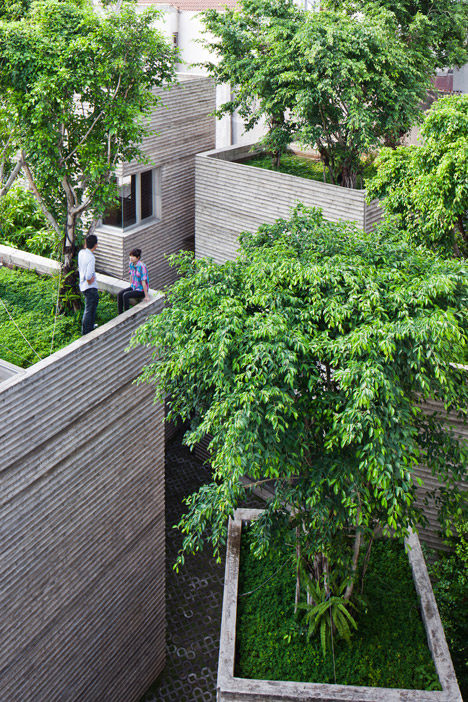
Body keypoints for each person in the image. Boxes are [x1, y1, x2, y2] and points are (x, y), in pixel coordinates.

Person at [117, 248, 151, 314]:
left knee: (125, 295)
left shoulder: (142, 266)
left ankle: (126, 314)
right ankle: (120, 314)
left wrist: (146, 296)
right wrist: (130, 285)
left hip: (141, 290)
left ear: (138, 258)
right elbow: (131, 275)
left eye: (133, 256)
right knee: (120, 294)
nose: (131, 258)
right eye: (130, 256)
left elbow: (144, 282)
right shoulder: (131, 264)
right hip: (134, 287)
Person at [78, 234, 99, 335]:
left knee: (91, 307)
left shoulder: (81, 253)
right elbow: (88, 275)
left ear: (86, 243)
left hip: (82, 285)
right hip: (90, 287)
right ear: (96, 245)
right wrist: (89, 279)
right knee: (90, 308)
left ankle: (90, 326)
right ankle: (86, 331)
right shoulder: (91, 257)